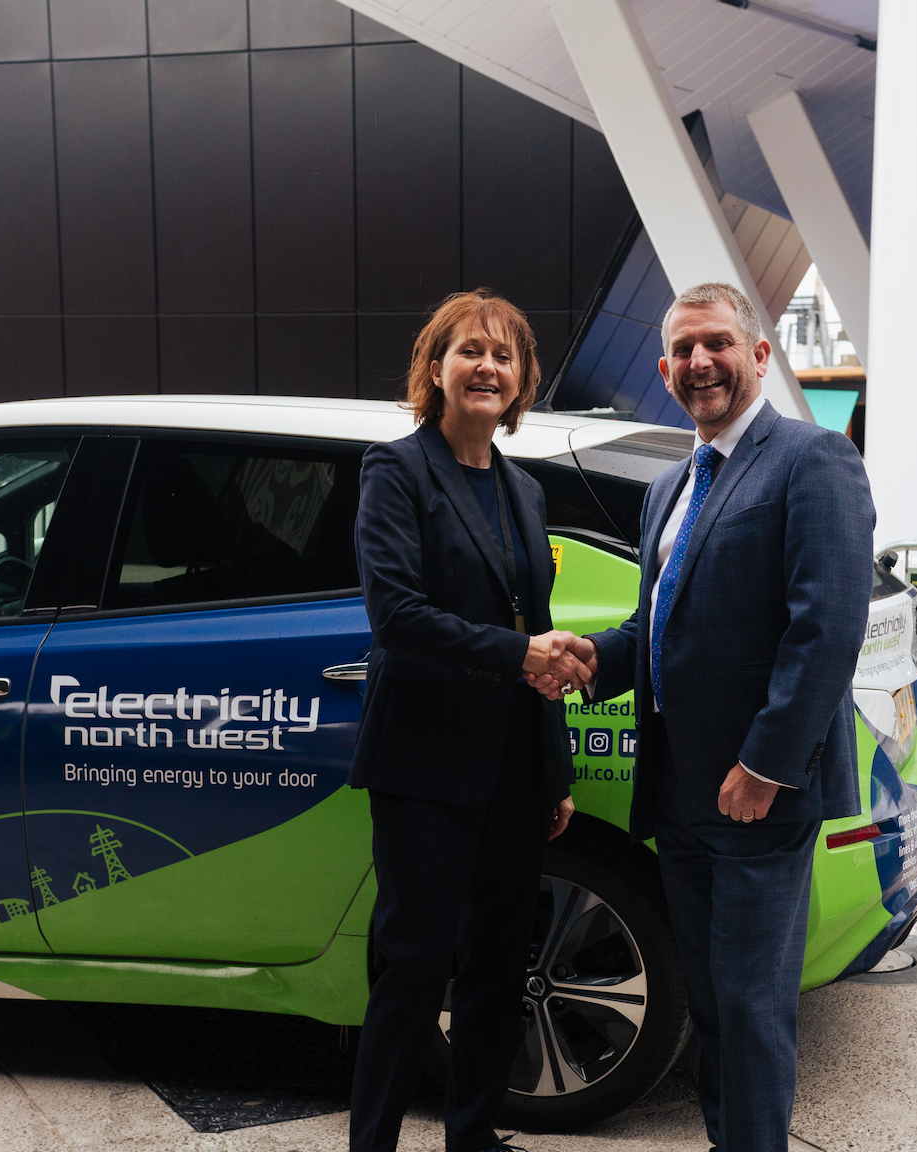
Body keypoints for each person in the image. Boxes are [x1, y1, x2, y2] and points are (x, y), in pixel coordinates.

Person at [537, 282, 873, 1152]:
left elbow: (827, 628)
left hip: (756, 793)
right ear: (663, 371)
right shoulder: (668, 487)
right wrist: (592, 658)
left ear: (758, 354)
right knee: (716, 1002)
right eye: (683, 350)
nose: (700, 362)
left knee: (753, 1009)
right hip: (680, 793)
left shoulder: (811, 460)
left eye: (716, 343)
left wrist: (766, 765)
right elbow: (657, 625)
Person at [348, 288, 590, 1152]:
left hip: (514, 768)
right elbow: (397, 617)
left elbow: (537, 627)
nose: (488, 367)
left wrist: (553, 771)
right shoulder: (396, 471)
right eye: (470, 351)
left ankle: (474, 1135)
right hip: (423, 761)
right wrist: (520, 654)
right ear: (436, 367)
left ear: (522, 379)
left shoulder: (524, 489)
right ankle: (373, 1142)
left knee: (498, 963)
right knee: (414, 965)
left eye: (504, 356)